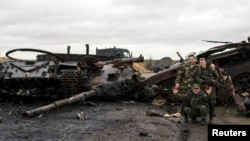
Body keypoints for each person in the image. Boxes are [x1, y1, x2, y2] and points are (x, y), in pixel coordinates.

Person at [174, 55, 199, 120]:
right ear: (188, 60)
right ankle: (185, 116)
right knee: (185, 101)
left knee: (194, 102)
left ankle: (194, 116)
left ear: (195, 60)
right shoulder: (184, 66)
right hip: (185, 87)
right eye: (190, 59)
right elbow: (179, 75)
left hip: (194, 87)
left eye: (192, 59)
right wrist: (177, 83)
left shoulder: (198, 67)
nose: (191, 60)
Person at [196, 58, 220, 124]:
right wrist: (203, 81)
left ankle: (211, 119)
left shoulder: (210, 68)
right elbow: (197, 78)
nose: (202, 64)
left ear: (205, 62)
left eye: (203, 62)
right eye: (201, 62)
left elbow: (217, 76)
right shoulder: (199, 70)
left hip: (211, 88)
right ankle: (203, 119)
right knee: (203, 103)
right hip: (203, 88)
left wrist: (214, 81)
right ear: (199, 63)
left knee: (212, 103)